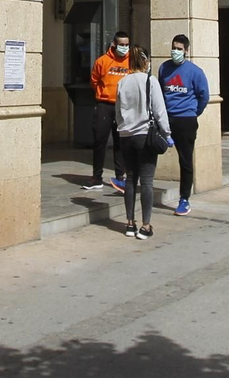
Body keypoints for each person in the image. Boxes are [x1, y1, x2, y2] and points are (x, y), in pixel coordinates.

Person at [115, 47, 171, 239]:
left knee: (130, 179)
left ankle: (130, 224)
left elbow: (118, 111)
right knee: (147, 182)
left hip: (126, 136)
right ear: (146, 62)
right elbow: (160, 110)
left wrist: (123, 128)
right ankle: (146, 226)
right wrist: (167, 133)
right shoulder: (150, 81)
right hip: (145, 135)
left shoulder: (122, 82)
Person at [159, 34, 210, 215]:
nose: (175, 51)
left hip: (186, 120)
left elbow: (204, 96)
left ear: (186, 51)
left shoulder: (195, 72)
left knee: (185, 160)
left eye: (179, 49)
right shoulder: (164, 68)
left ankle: (184, 199)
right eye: (174, 48)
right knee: (148, 149)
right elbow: (159, 92)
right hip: (166, 119)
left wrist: (193, 113)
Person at [85, 30, 132, 192]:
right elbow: (94, 81)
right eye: (121, 44)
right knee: (100, 141)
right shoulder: (102, 61)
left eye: (127, 45)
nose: (124, 47)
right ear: (114, 44)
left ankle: (120, 177)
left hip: (123, 106)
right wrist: (104, 93)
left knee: (121, 142)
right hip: (104, 105)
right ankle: (96, 177)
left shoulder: (132, 61)